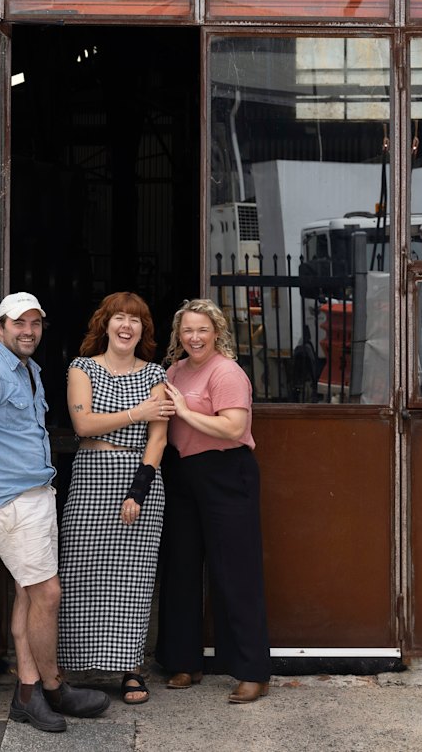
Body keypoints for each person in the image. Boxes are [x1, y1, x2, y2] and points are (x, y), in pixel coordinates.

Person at [0, 292, 110, 733]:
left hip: (36, 493)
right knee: (48, 594)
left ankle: (27, 692)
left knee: (27, 592)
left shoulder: (28, 370)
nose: (28, 331)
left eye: (35, 323)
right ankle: (54, 687)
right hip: (12, 500)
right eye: (19, 323)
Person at [58, 291, 174, 705]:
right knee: (80, 573)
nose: (127, 326)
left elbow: (158, 440)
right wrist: (136, 414)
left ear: (144, 330)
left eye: (135, 320)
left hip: (138, 483)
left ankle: (131, 669)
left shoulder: (157, 376)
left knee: (133, 581)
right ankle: (70, 666)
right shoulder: (82, 368)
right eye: (119, 318)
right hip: (91, 478)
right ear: (104, 324)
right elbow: (83, 423)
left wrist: (137, 491)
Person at [155, 298, 271, 703]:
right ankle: (184, 661)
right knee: (181, 567)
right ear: (179, 335)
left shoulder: (227, 372)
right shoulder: (174, 370)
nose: (194, 337)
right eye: (187, 330)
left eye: (202, 329)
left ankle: (252, 671)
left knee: (235, 573)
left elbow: (234, 427)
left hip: (226, 472)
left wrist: (185, 411)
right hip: (183, 473)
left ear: (217, 332)